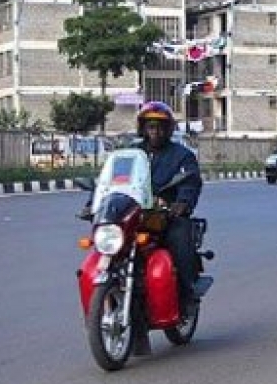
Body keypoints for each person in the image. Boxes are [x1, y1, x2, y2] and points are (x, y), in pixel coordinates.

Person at [79, 101, 204, 316]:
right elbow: (107, 181)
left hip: (164, 215)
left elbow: (190, 182)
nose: (156, 131)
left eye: (161, 126)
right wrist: (93, 203)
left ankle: (187, 293)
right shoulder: (129, 153)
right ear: (143, 128)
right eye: (151, 126)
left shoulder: (182, 155)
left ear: (169, 129)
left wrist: (182, 203)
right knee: (111, 241)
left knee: (179, 237)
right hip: (132, 210)